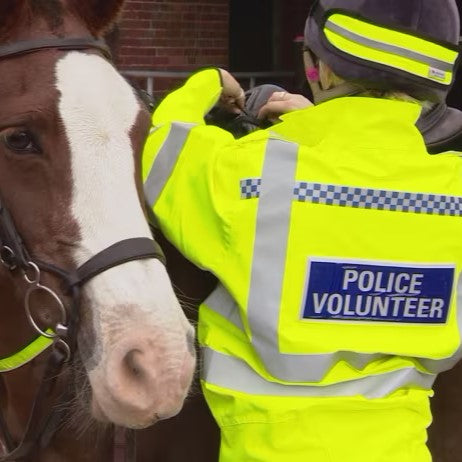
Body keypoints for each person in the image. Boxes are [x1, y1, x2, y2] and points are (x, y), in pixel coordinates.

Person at [142, 0, 462, 460]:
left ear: (324, 74)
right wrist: (312, 126)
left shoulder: (253, 178)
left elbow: (167, 156)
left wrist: (206, 85)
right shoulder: (451, 189)